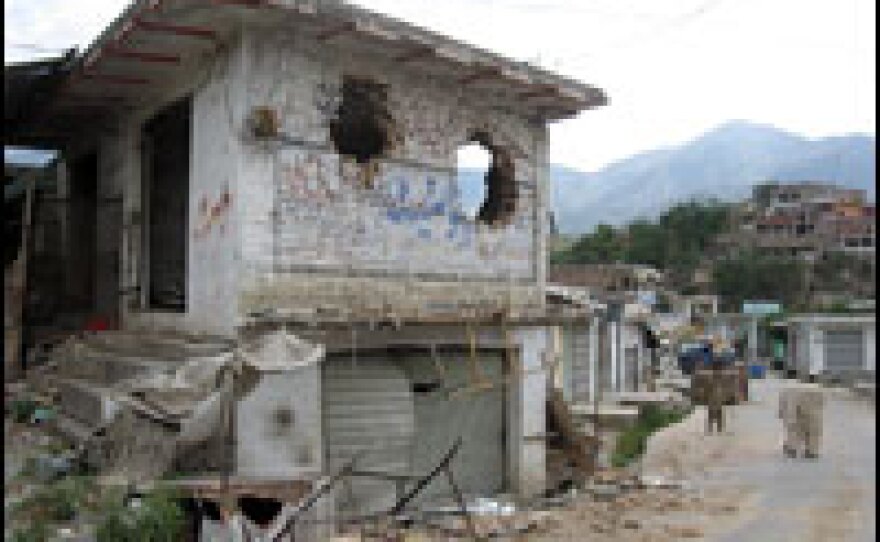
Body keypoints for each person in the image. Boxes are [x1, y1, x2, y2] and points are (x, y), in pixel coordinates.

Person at [706, 346, 725, 434]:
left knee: (714, 410)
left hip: (714, 391)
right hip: (715, 391)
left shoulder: (712, 375)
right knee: (717, 410)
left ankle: (713, 427)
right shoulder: (716, 375)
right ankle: (717, 427)